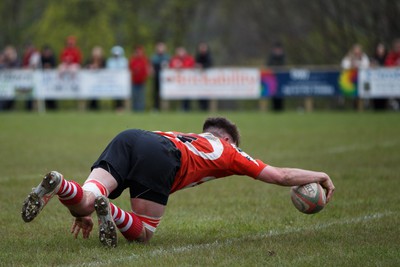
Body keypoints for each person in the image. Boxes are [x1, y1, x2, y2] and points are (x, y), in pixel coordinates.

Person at [21, 117, 335, 248]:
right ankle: (112, 212)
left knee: (86, 199)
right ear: (227, 139)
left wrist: (80, 211)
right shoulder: (229, 151)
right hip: (163, 155)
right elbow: (280, 175)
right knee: (143, 234)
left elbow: (82, 209)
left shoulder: (192, 136)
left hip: (132, 136)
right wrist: (319, 175)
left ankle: (61, 184)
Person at [169, 47, 195, 111]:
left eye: (182, 51)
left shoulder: (189, 58)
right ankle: (181, 107)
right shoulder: (174, 59)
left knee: (187, 94)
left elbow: (191, 66)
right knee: (180, 94)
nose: (181, 53)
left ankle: (187, 108)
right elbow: (171, 67)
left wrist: (181, 67)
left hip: (188, 80)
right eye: (179, 52)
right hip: (178, 81)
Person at [106, 46, 128, 111]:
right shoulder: (110, 61)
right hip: (113, 81)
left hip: (121, 81)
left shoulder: (124, 61)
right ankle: (115, 107)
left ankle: (121, 107)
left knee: (121, 94)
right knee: (114, 94)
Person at [85, 46, 106, 110]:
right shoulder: (89, 60)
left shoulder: (103, 61)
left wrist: (98, 67)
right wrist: (90, 66)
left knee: (97, 94)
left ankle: (95, 107)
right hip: (90, 80)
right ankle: (91, 107)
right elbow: (85, 67)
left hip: (100, 81)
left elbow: (105, 68)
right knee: (91, 94)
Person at [129, 46, 150, 112]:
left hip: (142, 82)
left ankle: (141, 110)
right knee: (134, 97)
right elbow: (129, 70)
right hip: (134, 81)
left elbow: (147, 71)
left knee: (141, 97)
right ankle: (134, 110)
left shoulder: (144, 60)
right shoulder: (132, 60)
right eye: (137, 52)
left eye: (139, 52)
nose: (138, 54)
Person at [267, 42, 286, 111]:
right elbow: (268, 65)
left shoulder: (283, 57)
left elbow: (283, 66)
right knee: (273, 93)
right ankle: (274, 109)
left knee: (281, 94)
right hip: (273, 78)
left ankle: (281, 108)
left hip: (280, 78)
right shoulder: (271, 57)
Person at [151, 42, 170, 111]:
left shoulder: (167, 57)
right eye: (159, 47)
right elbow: (152, 67)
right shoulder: (154, 57)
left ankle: (165, 108)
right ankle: (156, 107)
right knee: (156, 93)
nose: (160, 49)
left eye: (162, 47)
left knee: (166, 93)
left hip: (165, 79)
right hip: (156, 77)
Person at [195, 42, 213, 111]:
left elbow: (210, 64)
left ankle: (206, 108)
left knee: (206, 93)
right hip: (199, 79)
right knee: (200, 93)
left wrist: (202, 66)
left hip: (207, 79)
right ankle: (201, 108)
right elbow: (195, 63)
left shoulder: (209, 56)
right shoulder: (198, 56)